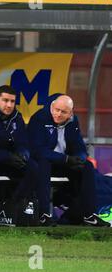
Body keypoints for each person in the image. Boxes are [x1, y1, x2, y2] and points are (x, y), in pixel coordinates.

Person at [28, 94, 110, 227]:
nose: (59, 114)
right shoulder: (39, 119)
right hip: (45, 162)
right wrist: (65, 159)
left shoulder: (73, 121)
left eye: (63, 112)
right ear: (52, 107)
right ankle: (44, 215)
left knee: (87, 166)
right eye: (56, 110)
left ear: (70, 113)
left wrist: (80, 158)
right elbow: (37, 151)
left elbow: (79, 146)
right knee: (43, 163)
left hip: (64, 163)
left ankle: (89, 215)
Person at [0, 85, 38, 212]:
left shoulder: (17, 117)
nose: (9, 105)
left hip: (10, 160)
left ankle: (14, 204)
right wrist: (7, 157)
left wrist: (23, 153)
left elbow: (23, 142)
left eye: (12, 101)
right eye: (5, 100)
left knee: (33, 167)